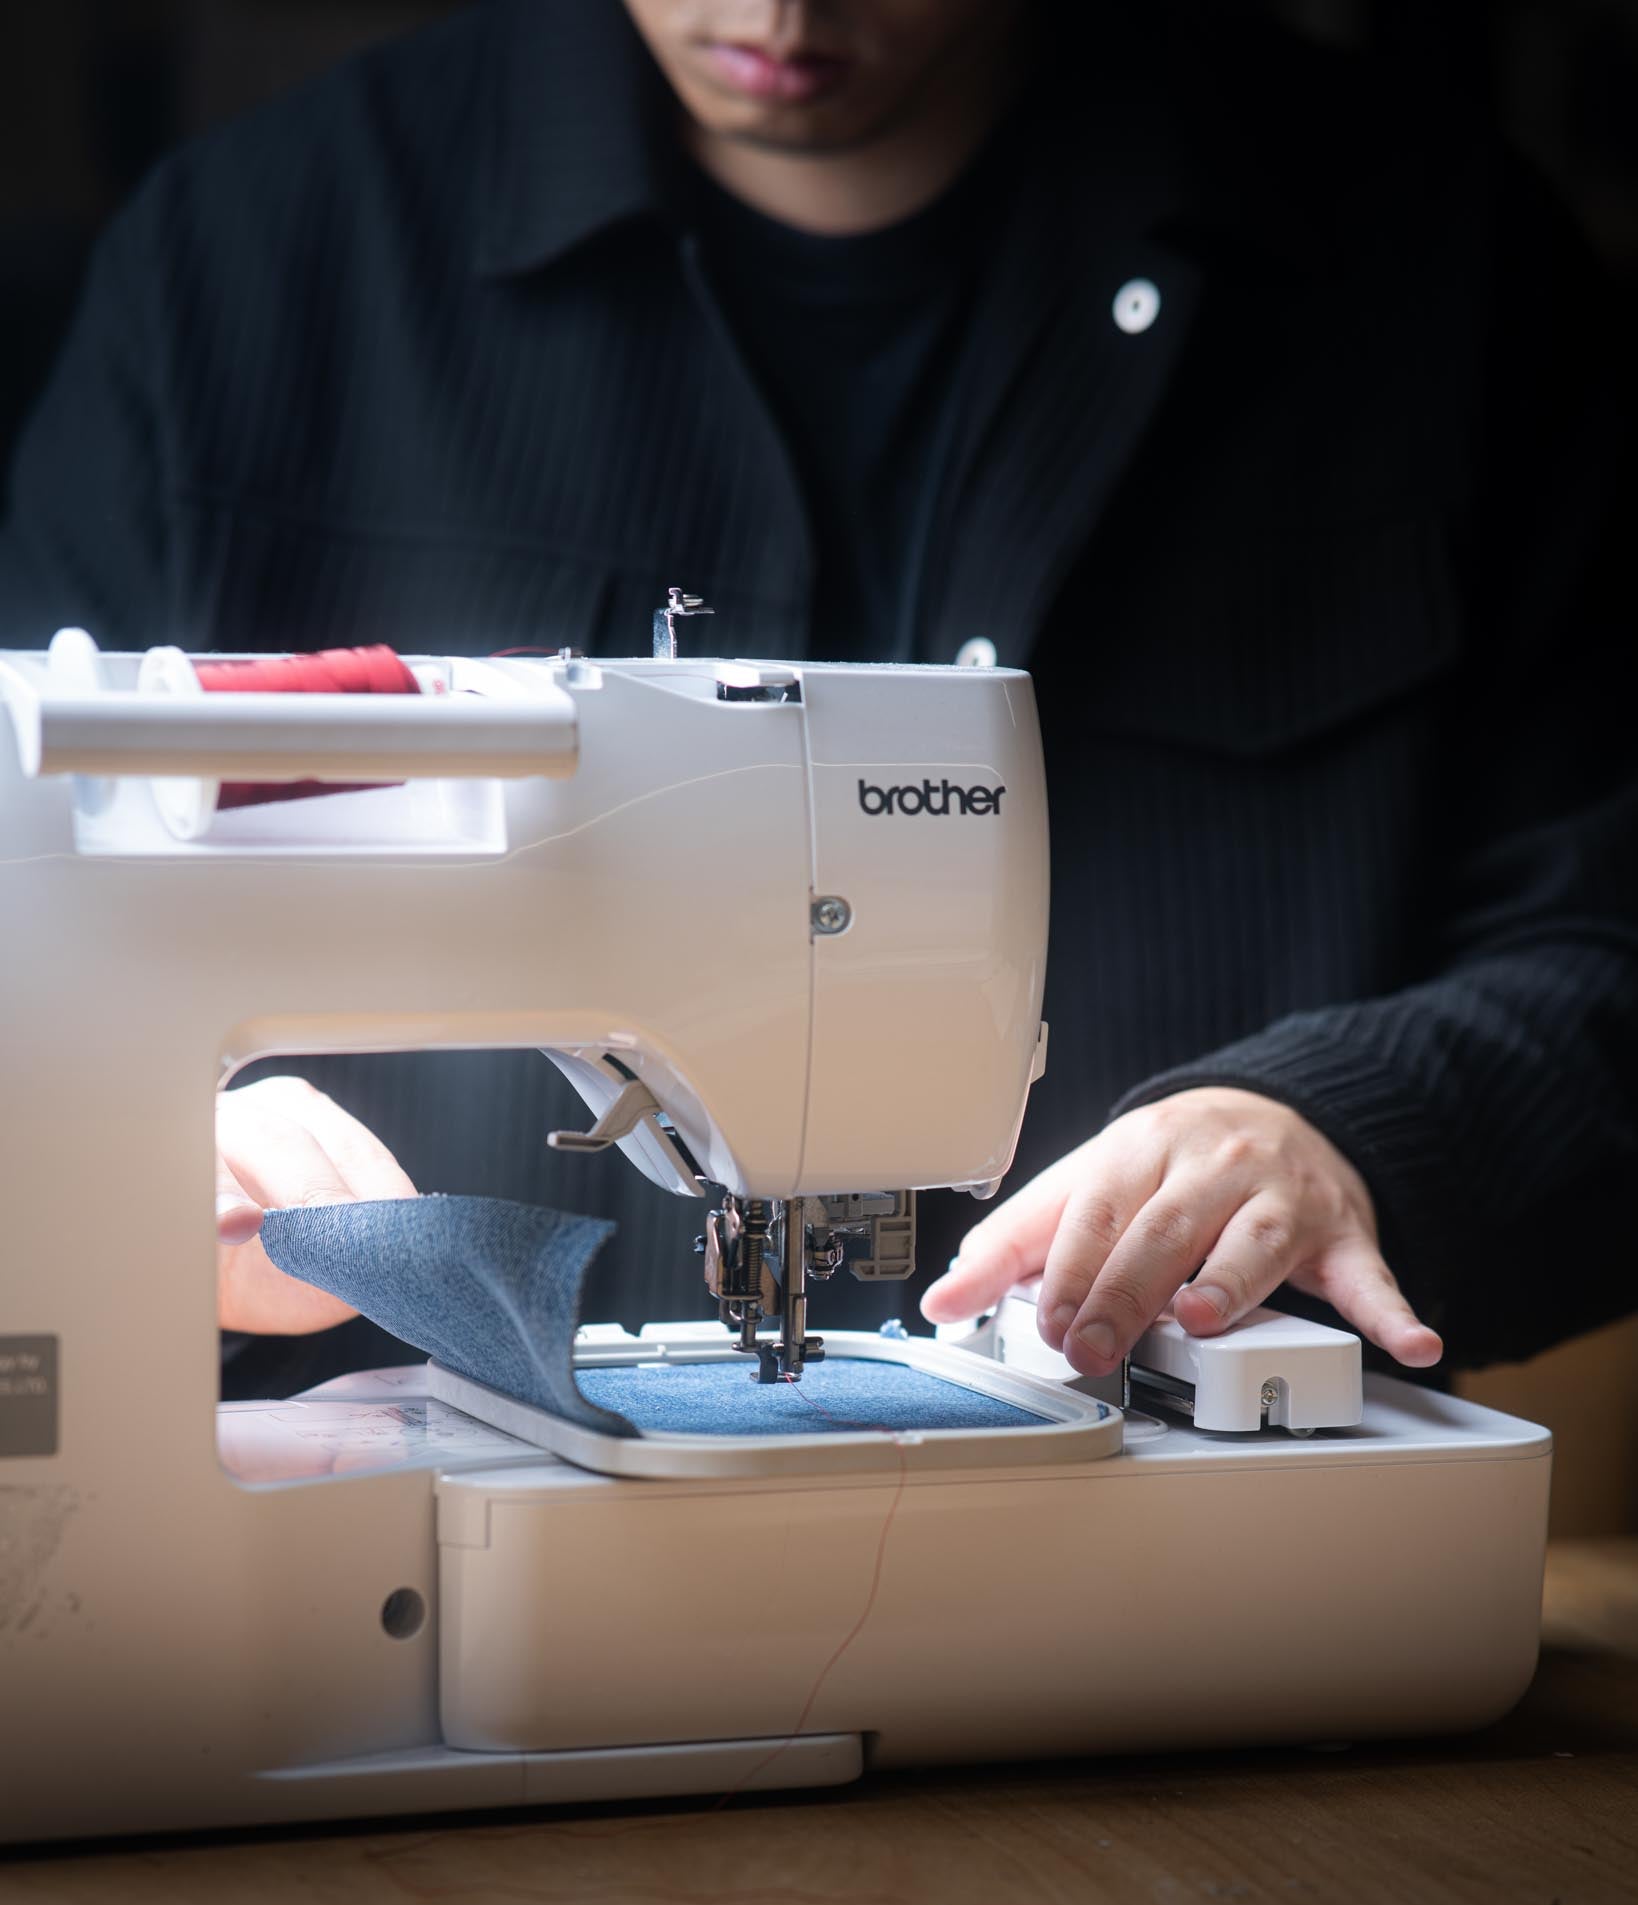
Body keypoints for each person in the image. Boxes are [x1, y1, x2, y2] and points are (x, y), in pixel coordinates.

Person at [2, 0, 1633, 1396]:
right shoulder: (243, 272)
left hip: (1193, 1611)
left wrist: (1358, 1125)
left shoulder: (1439, 270)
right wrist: (115, 1144)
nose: (780, 9)